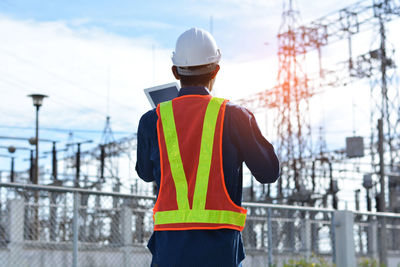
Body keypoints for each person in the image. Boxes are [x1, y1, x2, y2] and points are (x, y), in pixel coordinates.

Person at [136, 27, 279, 267]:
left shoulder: (153, 119)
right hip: (221, 252)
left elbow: (145, 173)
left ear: (175, 71)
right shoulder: (235, 116)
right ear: (216, 70)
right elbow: (268, 172)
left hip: (169, 252)